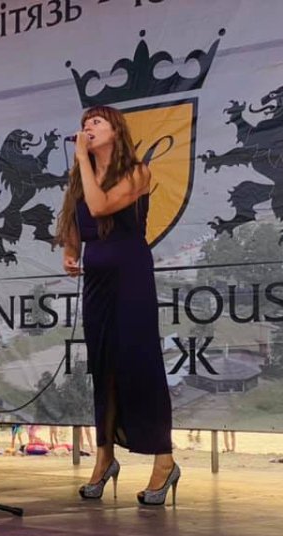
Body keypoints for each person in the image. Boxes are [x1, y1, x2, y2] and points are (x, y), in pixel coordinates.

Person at [55, 105, 178, 506]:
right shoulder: (84, 177)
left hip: (130, 274)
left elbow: (100, 207)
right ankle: (104, 458)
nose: (88, 127)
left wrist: (81, 159)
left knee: (140, 364)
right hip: (98, 279)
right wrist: (71, 250)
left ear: (116, 131)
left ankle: (164, 460)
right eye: (84, 123)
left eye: (96, 122)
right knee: (103, 367)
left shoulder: (138, 172)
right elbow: (76, 218)